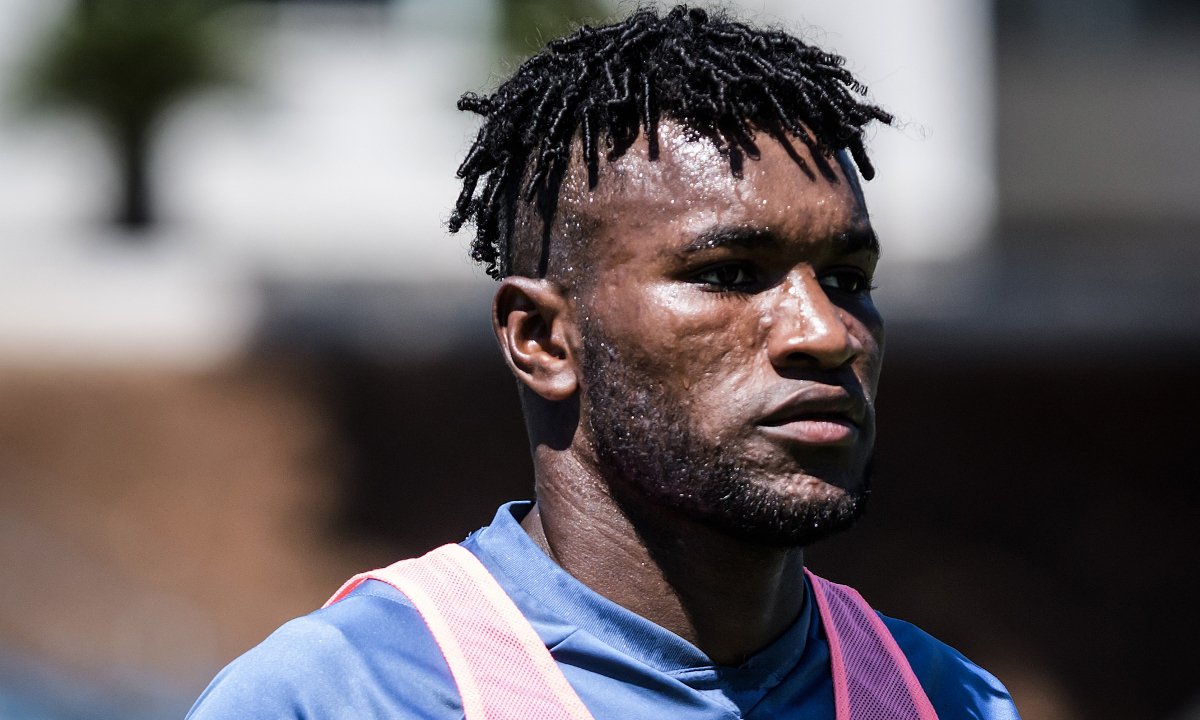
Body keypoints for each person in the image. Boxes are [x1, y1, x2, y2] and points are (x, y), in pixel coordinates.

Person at [188, 6, 1020, 718]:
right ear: (542, 339)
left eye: (846, 279)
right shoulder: (340, 696)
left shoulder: (944, 698)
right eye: (728, 274)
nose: (827, 332)